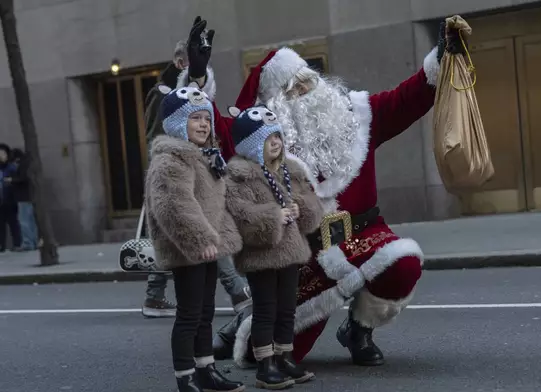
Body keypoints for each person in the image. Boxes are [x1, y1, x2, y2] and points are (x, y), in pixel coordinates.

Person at [200, 25, 466, 367]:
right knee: (272, 353)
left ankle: (359, 328)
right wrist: (196, 81)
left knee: (402, 263)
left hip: (365, 234)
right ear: (275, 104)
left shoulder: (359, 114)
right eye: (292, 88)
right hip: (308, 257)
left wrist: (442, 57)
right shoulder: (265, 142)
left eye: (306, 80)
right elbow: (215, 134)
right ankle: (251, 319)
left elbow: (408, 98)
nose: (304, 91)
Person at [141, 24, 251, 318]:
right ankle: (236, 290)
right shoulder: (162, 95)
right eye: (191, 62)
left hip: (198, 162)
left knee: (198, 224)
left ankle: (155, 294)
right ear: (180, 63)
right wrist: (170, 162)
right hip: (175, 166)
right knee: (189, 224)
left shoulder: (191, 98)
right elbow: (158, 133)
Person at [145, 83, 245, 392]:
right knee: (189, 314)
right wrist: (201, 239)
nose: (203, 124)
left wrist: (222, 236)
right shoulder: (171, 159)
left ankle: (206, 370)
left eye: (206, 118)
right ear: (177, 123)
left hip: (208, 246)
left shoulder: (205, 156)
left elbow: (218, 201)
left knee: (205, 312)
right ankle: (185, 377)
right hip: (186, 247)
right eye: (195, 118)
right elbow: (175, 206)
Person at [225, 105, 323, 389]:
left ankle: (284, 356)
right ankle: (264, 363)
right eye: (268, 139)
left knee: (287, 308)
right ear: (253, 145)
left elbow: (311, 203)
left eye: (277, 136)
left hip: (290, 250)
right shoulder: (239, 176)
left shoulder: (290, 170)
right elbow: (240, 213)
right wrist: (272, 216)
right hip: (261, 254)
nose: (276, 143)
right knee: (266, 309)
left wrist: (300, 207)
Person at [11, 148, 38, 251]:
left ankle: (28, 243)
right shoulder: (29, 164)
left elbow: (22, 179)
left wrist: (12, 180)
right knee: (30, 220)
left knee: (24, 220)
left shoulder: (22, 165)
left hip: (23, 197)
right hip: (29, 196)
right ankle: (33, 241)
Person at [0, 144, 21, 253]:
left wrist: (10, 181)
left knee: (13, 223)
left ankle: (17, 243)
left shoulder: (11, 168)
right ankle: (2, 245)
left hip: (10, 199)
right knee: (1, 225)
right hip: (1, 200)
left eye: (2, 154)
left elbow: (17, 180)